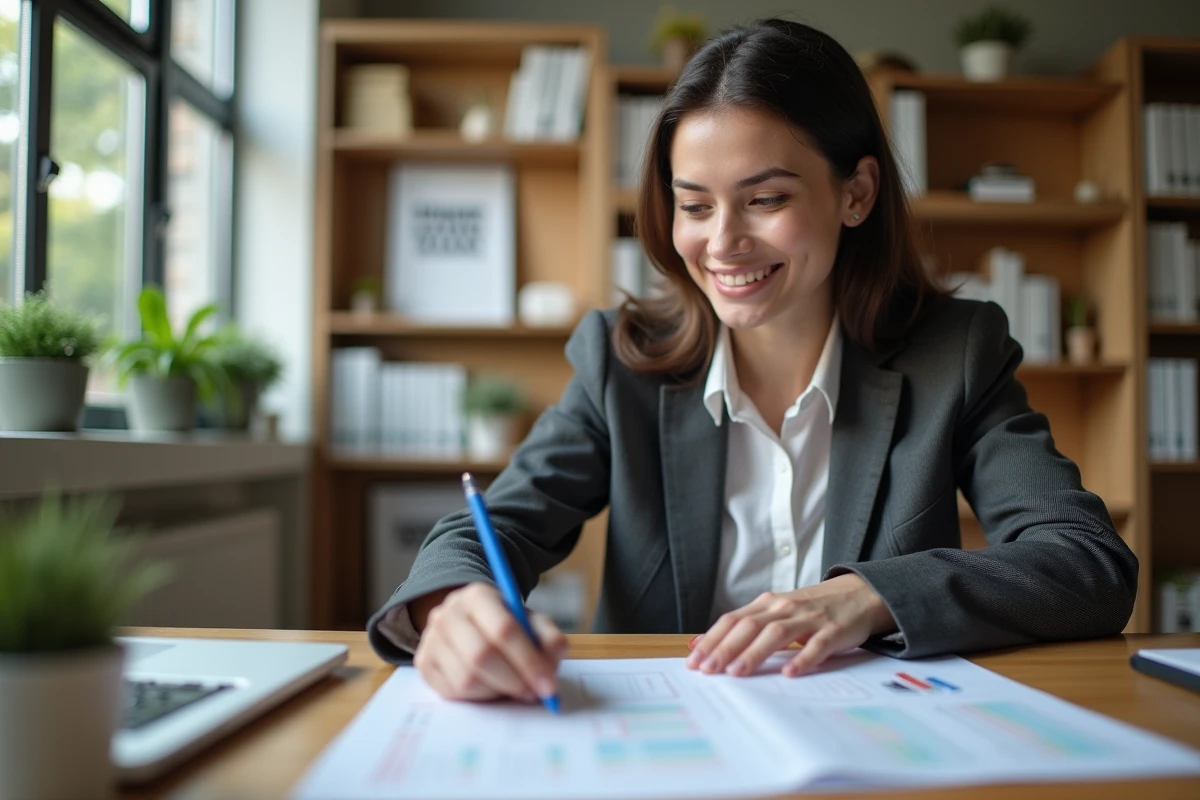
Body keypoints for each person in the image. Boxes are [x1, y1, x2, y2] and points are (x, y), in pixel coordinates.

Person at [367, 18, 1138, 704]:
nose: (723, 242)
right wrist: (453, 606)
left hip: (869, 747)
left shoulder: (956, 354)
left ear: (857, 193)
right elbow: (492, 528)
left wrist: (868, 595)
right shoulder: (620, 365)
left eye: (765, 200)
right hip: (666, 747)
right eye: (695, 205)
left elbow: (1087, 564)